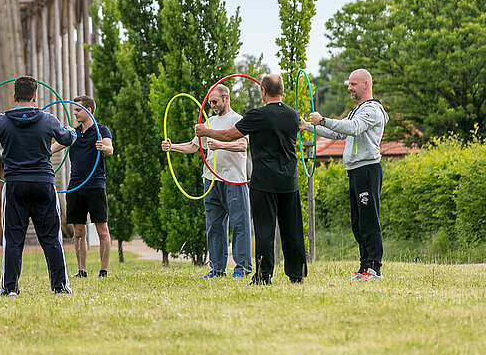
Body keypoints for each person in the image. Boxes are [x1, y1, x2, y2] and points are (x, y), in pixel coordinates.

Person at [0, 76, 77, 296]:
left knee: (13, 239)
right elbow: (67, 139)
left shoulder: (2, 120)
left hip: (15, 185)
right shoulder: (48, 120)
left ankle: (10, 289)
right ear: (35, 97)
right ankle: (60, 287)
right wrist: (73, 132)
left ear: (14, 96)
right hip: (43, 184)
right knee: (51, 238)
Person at [195, 74, 306, 285]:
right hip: (289, 181)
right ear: (281, 90)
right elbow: (299, 128)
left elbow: (230, 135)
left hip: (264, 182)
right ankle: (296, 274)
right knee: (292, 228)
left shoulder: (257, 115)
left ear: (263, 91)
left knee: (264, 230)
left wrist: (206, 131)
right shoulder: (293, 115)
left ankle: (264, 276)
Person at [301, 68, 387, 281]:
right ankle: (364, 266)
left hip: (368, 170)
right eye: (349, 84)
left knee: (369, 221)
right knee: (358, 222)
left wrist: (322, 120)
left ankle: (375, 269)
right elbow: (339, 132)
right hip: (355, 171)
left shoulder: (372, 110)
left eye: (353, 84)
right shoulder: (356, 110)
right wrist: (308, 127)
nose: (349, 88)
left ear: (366, 85)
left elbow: (354, 128)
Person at [162, 84, 252, 279]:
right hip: (211, 180)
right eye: (210, 102)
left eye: (215, 101)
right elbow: (194, 147)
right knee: (214, 226)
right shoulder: (209, 122)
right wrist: (172, 147)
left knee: (239, 225)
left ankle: (242, 269)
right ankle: (217, 269)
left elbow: (242, 145)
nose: (212, 105)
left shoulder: (238, 120)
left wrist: (220, 144)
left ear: (226, 98)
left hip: (233, 180)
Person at [49, 95, 113, 279]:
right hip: (75, 186)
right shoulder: (73, 133)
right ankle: (81, 271)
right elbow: (52, 149)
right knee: (78, 232)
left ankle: (103, 271)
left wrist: (104, 148)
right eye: (74, 110)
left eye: (78, 110)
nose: (75, 113)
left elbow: (110, 149)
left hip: (96, 185)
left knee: (102, 230)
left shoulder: (102, 131)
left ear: (89, 110)